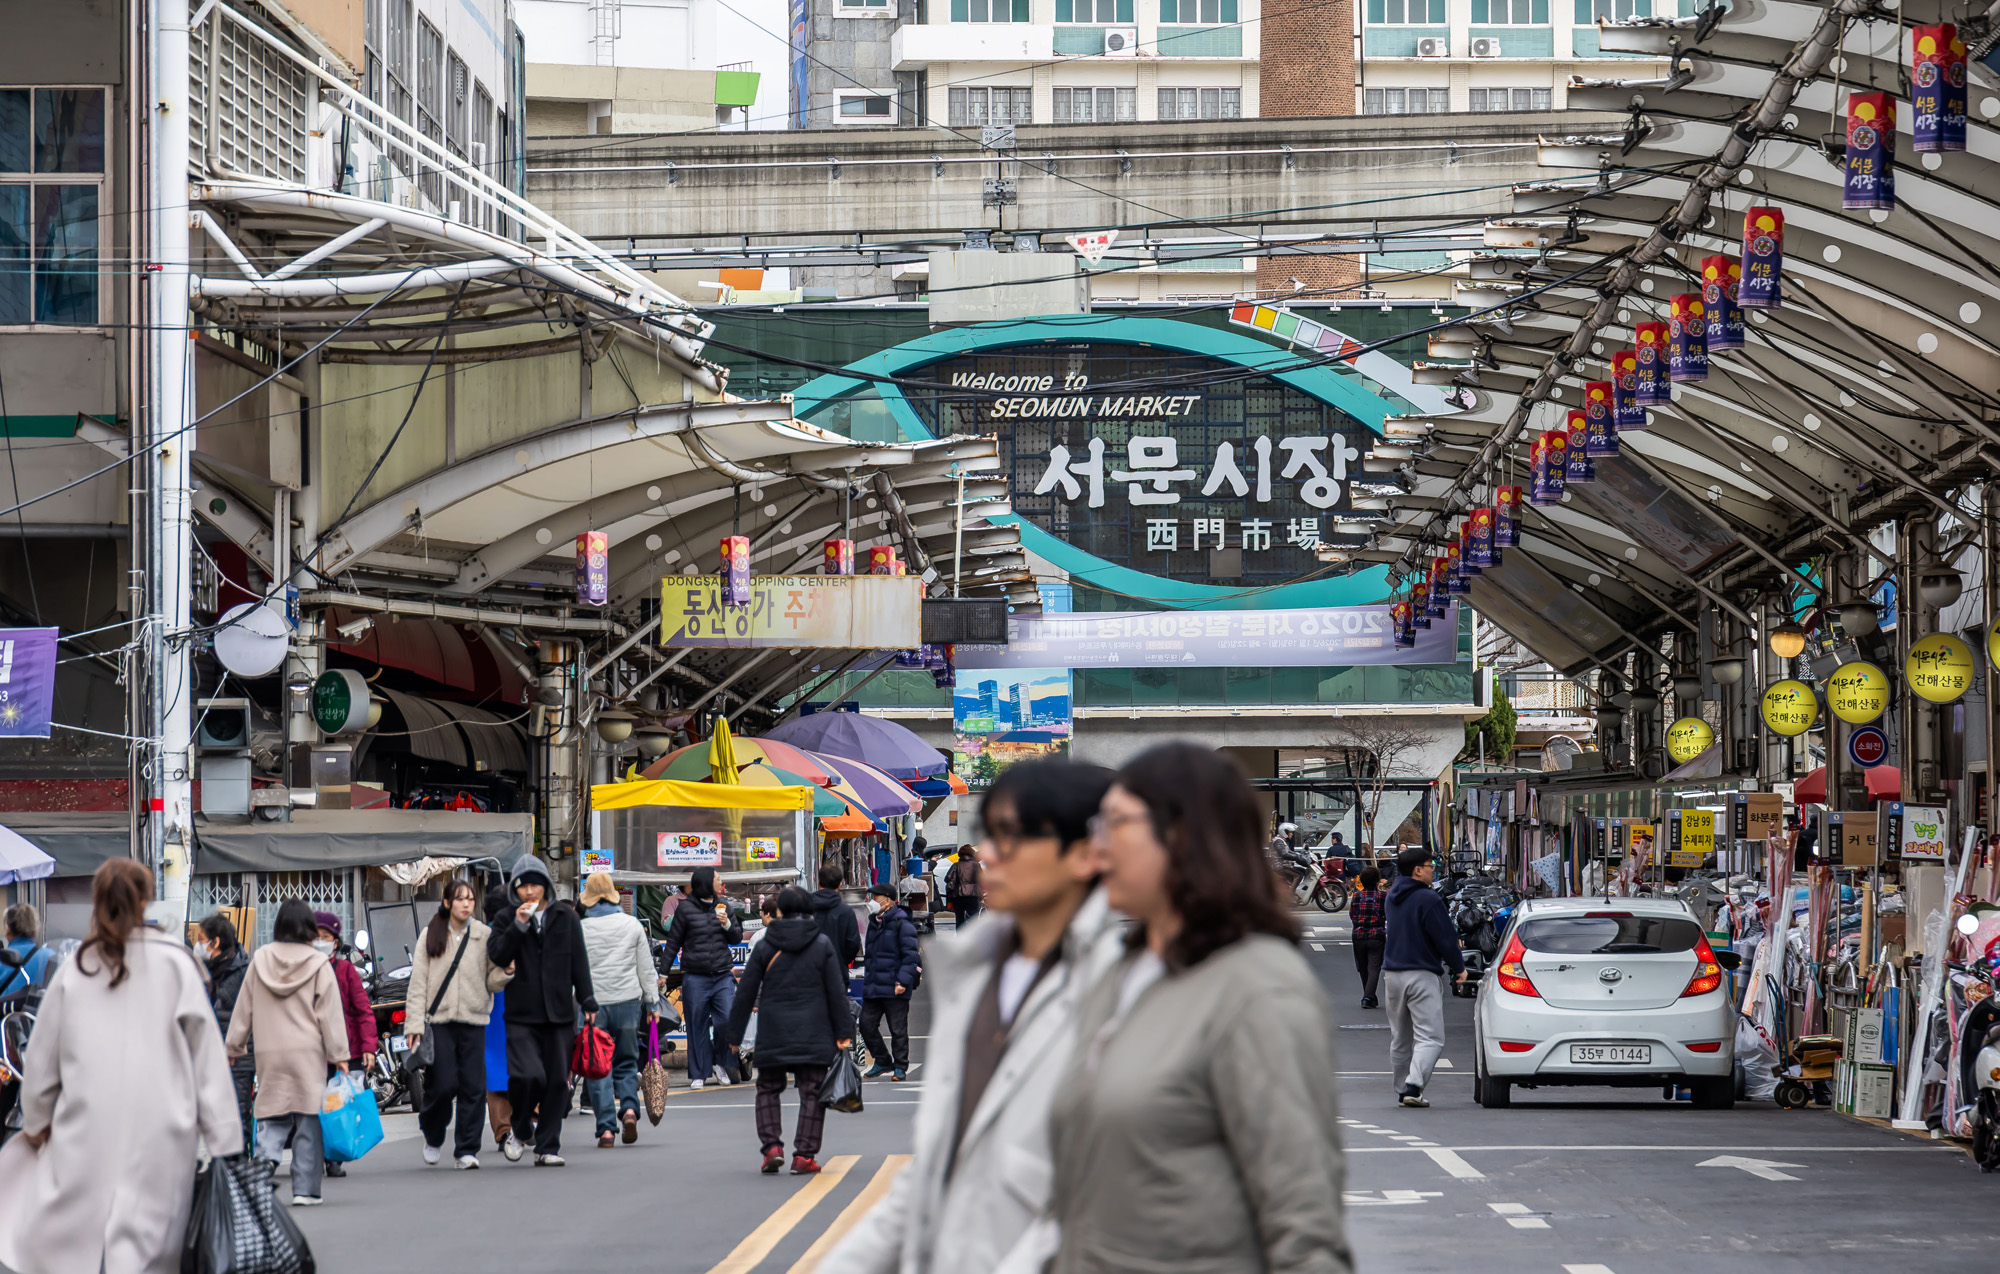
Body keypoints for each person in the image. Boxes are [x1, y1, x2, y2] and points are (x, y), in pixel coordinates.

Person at [1041, 743, 1350, 1274]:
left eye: (1115, 824)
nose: (1095, 849)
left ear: (1182, 837)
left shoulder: (1258, 990)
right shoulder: (1121, 972)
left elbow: (1305, 1228)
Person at [818, 758, 1123, 1274]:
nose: (990, 861)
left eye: (1013, 839)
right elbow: (936, 1172)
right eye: (989, 838)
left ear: (1084, 853)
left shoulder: (1128, 990)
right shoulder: (976, 978)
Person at [0, 861, 241, 1274]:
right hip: (165, 1135)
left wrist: (37, 1124)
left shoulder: (74, 970)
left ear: (98, 902)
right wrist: (225, 1142)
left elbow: (41, 1065)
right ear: (145, 902)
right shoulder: (177, 966)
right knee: (151, 1253)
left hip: (85, 1133)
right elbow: (207, 1063)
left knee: (82, 1249)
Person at [722, 885, 852, 1175]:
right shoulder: (821, 944)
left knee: (767, 1089)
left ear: (780, 911)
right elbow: (836, 992)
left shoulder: (765, 945)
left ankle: (771, 1148)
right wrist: (844, 1032)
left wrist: (734, 1035)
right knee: (812, 1092)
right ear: (809, 910)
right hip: (814, 1029)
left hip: (773, 1028)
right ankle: (804, 1155)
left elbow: (746, 992)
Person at [227, 898, 350, 1206]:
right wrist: (339, 1054)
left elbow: (244, 1008)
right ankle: (305, 1190)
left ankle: (266, 1161)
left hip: (269, 1051)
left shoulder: (259, 960)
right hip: (307, 1052)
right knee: (307, 1117)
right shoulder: (319, 964)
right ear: (309, 928)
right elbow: (330, 1014)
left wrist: (234, 1046)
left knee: (272, 1110)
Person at [487, 854, 597, 1166]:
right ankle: (521, 1123)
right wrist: (519, 924)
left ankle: (548, 1146)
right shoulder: (508, 918)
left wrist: (588, 1000)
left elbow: (579, 960)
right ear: (515, 891)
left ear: (546, 885)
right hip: (521, 1014)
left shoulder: (566, 916)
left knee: (557, 1082)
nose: (530, 892)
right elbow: (497, 954)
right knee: (526, 1075)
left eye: (535, 885)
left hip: (560, 1013)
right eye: (523, 887)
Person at [406, 878, 512, 1169]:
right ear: (447, 902)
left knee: (474, 1087)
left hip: (474, 1020)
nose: (466, 904)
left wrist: (507, 972)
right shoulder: (430, 935)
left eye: (470, 899)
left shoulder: (483, 935)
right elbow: (418, 984)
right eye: (460, 899)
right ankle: (433, 1133)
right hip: (439, 1021)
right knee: (442, 1085)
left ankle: (467, 1150)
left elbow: (492, 981)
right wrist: (413, 1025)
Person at [578, 872, 661, 1149]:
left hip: (594, 1006)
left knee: (598, 1067)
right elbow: (646, 968)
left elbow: (575, 971)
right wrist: (652, 1002)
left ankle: (606, 1130)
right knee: (626, 1061)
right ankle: (628, 1110)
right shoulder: (632, 925)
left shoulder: (580, 928)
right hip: (627, 1001)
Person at [1382, 846, 1466, 1108]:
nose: (1434, 870)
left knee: (1401, 1036)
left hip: (1392, 974)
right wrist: (1458, 967)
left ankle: (1401, 1087)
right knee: (1430, 1036)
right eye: (1430, 866)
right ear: (1417, 870)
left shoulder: (1391, 897)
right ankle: (1413, 1086)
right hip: (1422, 973)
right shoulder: (1429, 899)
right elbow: (1445, 938)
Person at [658, 865, 744, 1089]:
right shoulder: (685, 910)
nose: (720, 881)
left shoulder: (725, 906)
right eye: (717, 878)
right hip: (695, 976)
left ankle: (721, 1063)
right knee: (696, 1025)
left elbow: (735, 937)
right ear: (706, 883)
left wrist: (726, 923)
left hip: (723, 974)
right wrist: (663, 974)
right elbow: (673, 942)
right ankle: (699, 1073)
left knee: (726, 1020)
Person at [312, 911, 376, 1178]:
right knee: (313, 1106)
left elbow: (363, 1010)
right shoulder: (305, 970)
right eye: (315, 937)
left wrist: (368, 1047)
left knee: (335, 1105)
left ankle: (333, 1157)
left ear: (335, 942)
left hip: (341, 1051)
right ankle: (317, 1154)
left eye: (325, 937)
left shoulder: (346, 970)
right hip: (312, 1052)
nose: (319, 942)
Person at [195, 912, 257, 1149]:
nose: (197, 944)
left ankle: (239, 1166)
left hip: (239, 1057)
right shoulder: (203, 971)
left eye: (201, 939)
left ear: (215, 942)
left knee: (238, 1112)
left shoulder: (244, 972)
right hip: (210, 1054)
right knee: (215, 1115)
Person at [857, 883, 920, 1081]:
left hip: (895, 986)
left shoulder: (903, 923)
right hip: (874, 984)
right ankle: (883, 1060)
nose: (872, 901)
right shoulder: (872, 922)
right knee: (866, 1025)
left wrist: (902, 981)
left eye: (876, 897)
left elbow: (910, 956)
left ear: (888, 900)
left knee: (898, 1029)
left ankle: (900, 1066)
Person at [808, 863, 863, 969]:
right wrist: (841, 960)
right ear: (839, 885)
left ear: (818, 882)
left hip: (809, 974)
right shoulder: (846, 911)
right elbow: (854, 944)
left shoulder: (804, 907)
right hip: (837, 972)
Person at [1350, 866, 1387, 1009]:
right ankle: (1368, 996)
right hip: (1376, 936)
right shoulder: (1383, 897)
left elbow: (1352, 914)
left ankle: (1369, 995)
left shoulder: (1356, 896)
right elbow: (1387, 914)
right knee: (1374, 967)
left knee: (1363, 967)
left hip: (1358, 935)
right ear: (1378, 881)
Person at [1, 904, 49, 995]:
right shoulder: (51, 956)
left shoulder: (3, 959)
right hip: (42, 1008)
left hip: (8, 1008)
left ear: (8, 928)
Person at [945, 845, 984, 927]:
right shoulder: (976, 865)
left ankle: (960, 937)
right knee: (973, 919)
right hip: (973, 895)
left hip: (958, 895)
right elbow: (982, 880)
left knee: (959, 919)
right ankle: (972, 937)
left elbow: (948, 878)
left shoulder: (956, 865)